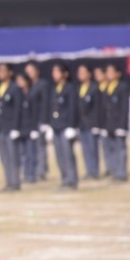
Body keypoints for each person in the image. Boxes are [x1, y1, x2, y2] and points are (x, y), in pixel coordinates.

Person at [49, 62, 79, 190]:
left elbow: (73, 108)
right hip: (56, 126)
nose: (54, 74)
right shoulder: (55, 88)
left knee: (68, 155)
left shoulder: (70, 88)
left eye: (57, 71)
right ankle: (64, 179)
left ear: (65, 74)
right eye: (53, 72)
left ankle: (72, 180)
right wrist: (50, 125)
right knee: (59, 155)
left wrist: (72, 126)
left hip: (66, 126)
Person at [0, 63, 22, 192]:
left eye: (3, 71)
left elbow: (17, 109)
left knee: (12, 156)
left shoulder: (15, 88)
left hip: (10, 127)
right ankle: (8, 181)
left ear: (10, 72)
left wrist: (16, 127)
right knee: (4, 157)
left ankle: (15, 182)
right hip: (0, 127)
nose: (0, 73)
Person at [102, 63, 129, 182]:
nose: (109, 74)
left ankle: (121, 173)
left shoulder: (122, 87)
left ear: (118, 73)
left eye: (111, 72)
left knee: (120, 148)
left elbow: (124, 107)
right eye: (107, 72)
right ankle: (114, 171)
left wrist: (122, 125)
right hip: (108, 124)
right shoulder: (107, 87)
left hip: (119, 123)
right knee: (111, 149)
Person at [25, 61, 51, 181]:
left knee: (40, 145)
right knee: (31, 146)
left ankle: (42, 170)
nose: (29, 73)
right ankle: (33, 169)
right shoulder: (28, 86)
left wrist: (45, 121)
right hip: (31, 120)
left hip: (40, 119)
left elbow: (45, 103)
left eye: (31, 71)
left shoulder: (42, 84)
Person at [76, 64, 101, 180]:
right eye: (79, 72)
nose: (80, 74)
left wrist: (96, 124)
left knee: (92, 148)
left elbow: (97, 108)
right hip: (81, 124)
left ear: (89, 74)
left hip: (91, 123)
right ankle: (88, 170)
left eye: (83, 72)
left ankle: (94, 171)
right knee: (85, 149)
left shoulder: (94, 88)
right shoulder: (79, 88)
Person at [14, 73, 38, 183]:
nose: (19, 83)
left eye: (21, 80)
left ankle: (31, 174)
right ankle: (25, 173)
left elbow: (35, 112)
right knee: (22, 154)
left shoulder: (32, 94)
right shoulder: (17, 95)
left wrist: (35, 128)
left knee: (31, 153)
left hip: (30, 127)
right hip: (20, 128)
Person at [93, 66, 111, 175]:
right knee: (103, 147)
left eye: (99, 74)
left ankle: (113, 167)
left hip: (109, 122)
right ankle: (107, 167)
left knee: (111, 146)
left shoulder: (109, 87)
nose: (97, 76)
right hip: (99, 122)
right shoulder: (96, 88)